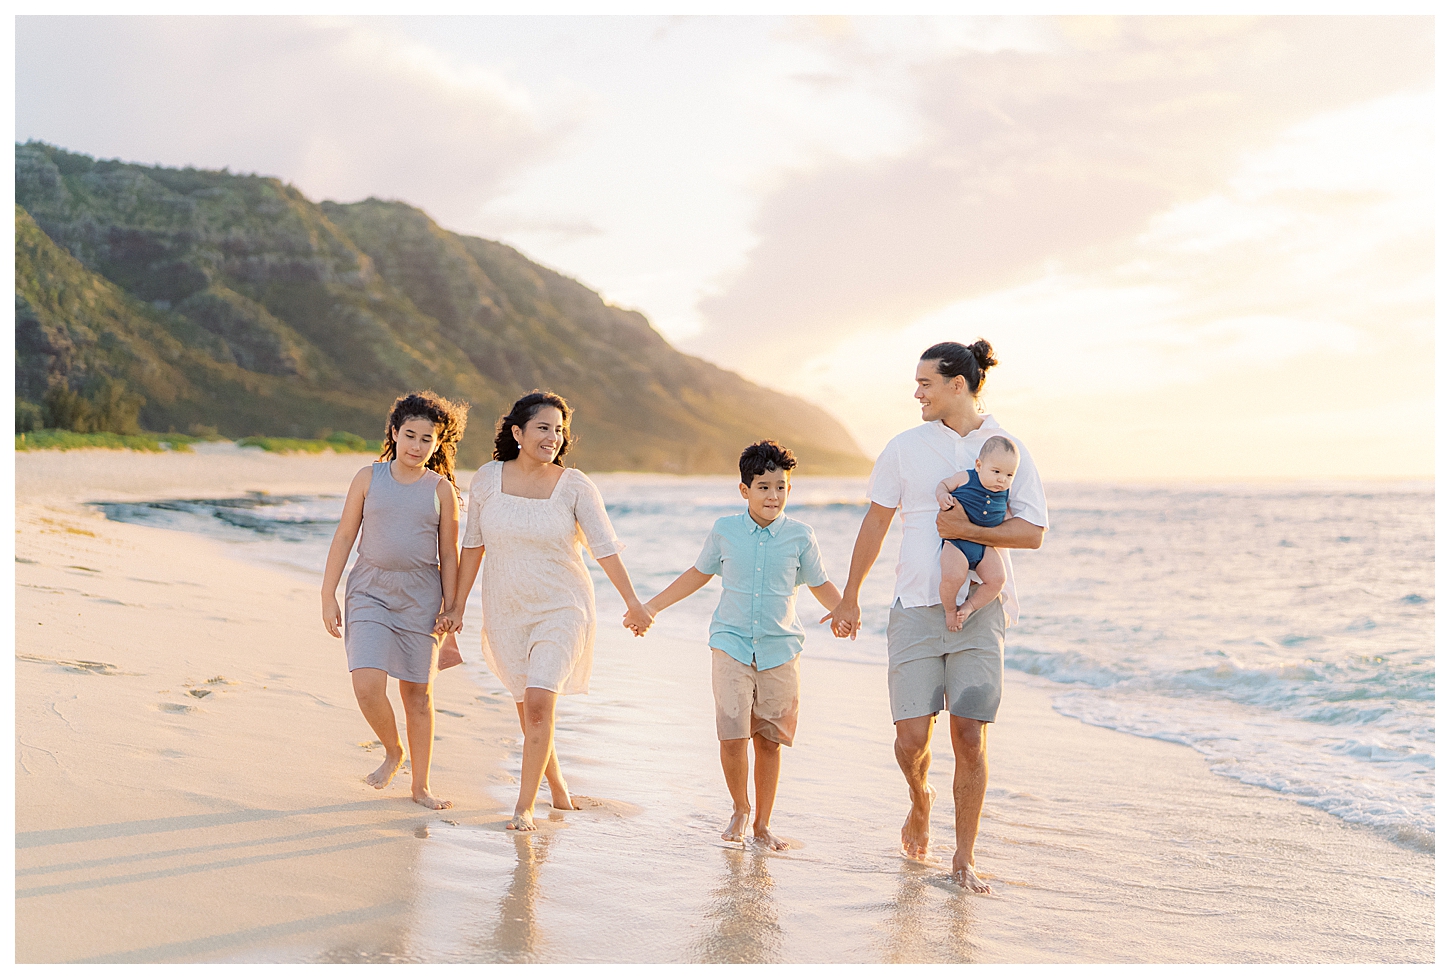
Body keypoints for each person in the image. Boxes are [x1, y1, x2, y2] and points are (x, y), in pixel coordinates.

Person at [823, 340, 1048, 893]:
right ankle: (919, 799)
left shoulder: (1008, 448)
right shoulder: (904, 447)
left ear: (958, 384)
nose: (916, 393)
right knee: (909, 740)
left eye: (925, 383)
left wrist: (967, 532)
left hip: (980, 612)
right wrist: (850, 596)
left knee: (969, 735)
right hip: (914, 609)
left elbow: (1033, 533)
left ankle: (963, 857)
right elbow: (875, 524)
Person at [446, 391, 652, 832]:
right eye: (544, 428)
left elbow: (604, 549)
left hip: (563, 606)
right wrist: (458, 605)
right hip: (507, 610)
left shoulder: (575, 485)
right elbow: (473, 546)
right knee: (529, 711)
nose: (553, 438)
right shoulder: (486, 479)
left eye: (559, 430)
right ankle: (558, 790)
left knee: (540, 703)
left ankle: (524, 807)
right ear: (517, 432)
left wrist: (633, 602)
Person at [633, 441, 841, 851]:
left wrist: (845, 609)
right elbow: (697, 574)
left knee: (768, 741)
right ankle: (740, 808)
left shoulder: (801, 536)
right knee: (732, 736)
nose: (773, 496)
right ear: (744, 490)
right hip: (729, 644)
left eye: (781, 487)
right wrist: (651, 606)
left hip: (781, 651)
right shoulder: (725, 530)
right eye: (764, 487)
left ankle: (763, 824)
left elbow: (819, 582)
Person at [321, 391, 469, 811]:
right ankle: (392, 750)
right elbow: (346, 535)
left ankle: (420, 786)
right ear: (394, 432)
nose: (417, 446)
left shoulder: (442, 491)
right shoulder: (368, 478)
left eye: (427, 439)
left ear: (439, 444)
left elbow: (450, 555)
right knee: (367, 685)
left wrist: (453, 607)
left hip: (422, 596)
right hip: (369, 589)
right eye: (410, 435)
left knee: (417, 696)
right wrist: (327, 593)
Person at [935, 436, 1019, 632]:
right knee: (953, 576)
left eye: (1009, 475)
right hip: (957, 543)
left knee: (998, 579)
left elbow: (1007, 515)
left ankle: (969, 606)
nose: (1002, 479)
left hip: (984, 546)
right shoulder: (966, 477)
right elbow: (943, 485)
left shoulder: (1004, 492)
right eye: (996, 471)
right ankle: (950, 610)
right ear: (979, 465)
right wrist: (942, 496)